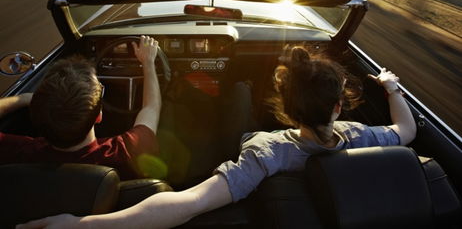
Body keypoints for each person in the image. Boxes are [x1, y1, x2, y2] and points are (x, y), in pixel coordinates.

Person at [17, 46, 416, 229]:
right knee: (237, 90)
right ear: (338, 107)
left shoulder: (266, 151)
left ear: (284, 108)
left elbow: (188, 202)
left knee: (238, 94)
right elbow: (407, 131)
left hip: (251, 164)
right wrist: (392, 88)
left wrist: (84, 225)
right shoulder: (364, 136)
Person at [0, 35, 161, 180]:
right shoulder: (127, 152)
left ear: (35, 114)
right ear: (99, 116)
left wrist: (22, 99)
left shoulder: (18, 153)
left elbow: (150, 108)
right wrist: (148, 63)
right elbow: (151, 107)